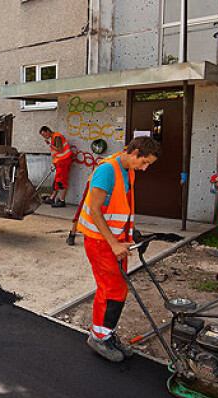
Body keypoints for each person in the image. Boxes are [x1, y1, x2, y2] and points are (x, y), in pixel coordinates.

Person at [77, 137, 161, 362]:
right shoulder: (107, 170)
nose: (144, 168)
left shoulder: (127, 170)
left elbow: (120, 208)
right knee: (111, 289)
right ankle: (99, 337)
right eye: (144, 162)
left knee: (117, 289)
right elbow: (95, 211)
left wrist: (130, 233)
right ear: (134, 152)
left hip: (116, 241)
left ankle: (107, 333)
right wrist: (113, 244)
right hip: (100, 242)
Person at [39, 126, 72, 207]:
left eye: (44, 134)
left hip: (63, 161)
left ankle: (62, 201)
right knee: (58, 180)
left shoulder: (57, 137)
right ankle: (52, 198)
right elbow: (57, 153)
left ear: (47, 131)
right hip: (60, 161)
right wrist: (54, 163)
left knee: (62, 182)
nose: (44, 136)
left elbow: (60, 150)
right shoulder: (54, 137)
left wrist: (50, 145)